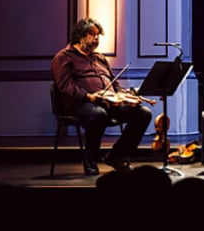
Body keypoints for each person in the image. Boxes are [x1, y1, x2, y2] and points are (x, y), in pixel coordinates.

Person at [51, 17, 153, 175]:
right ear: (80, 35)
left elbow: (114, 82)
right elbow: (65, 86)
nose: (96, 38)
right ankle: (90, 160)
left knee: (143, 113)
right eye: (92, 34)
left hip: (107, 102)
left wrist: (122, 95)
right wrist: (89, 96)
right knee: (98, 114)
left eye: (98, 34)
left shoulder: (100, 58)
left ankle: (116, 156)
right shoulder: (64, 57)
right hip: (79, 104)